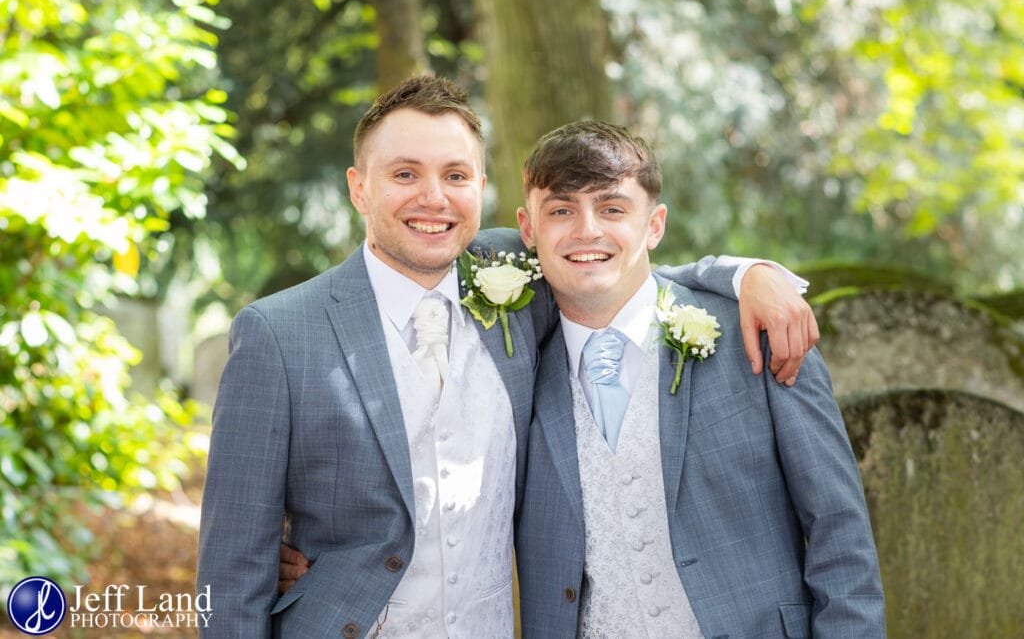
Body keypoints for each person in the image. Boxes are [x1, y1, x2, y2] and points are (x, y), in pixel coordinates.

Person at [197, 75, 817, 638]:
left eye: (456, 175)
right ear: (359, 188)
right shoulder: (278, 334)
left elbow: (611, 264)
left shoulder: (514, 285)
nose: (433, 198)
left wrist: (746, 275)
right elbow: (231, 569)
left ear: (482, 188)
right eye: (405, 174)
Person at [513, 120, 885, 637]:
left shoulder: (755, 330)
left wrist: (746, 274)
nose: (587, 230)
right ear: (528, 229)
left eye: (613, 208)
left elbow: (838, 532)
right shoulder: (514, 363)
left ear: (655, 225)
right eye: (560, 210)